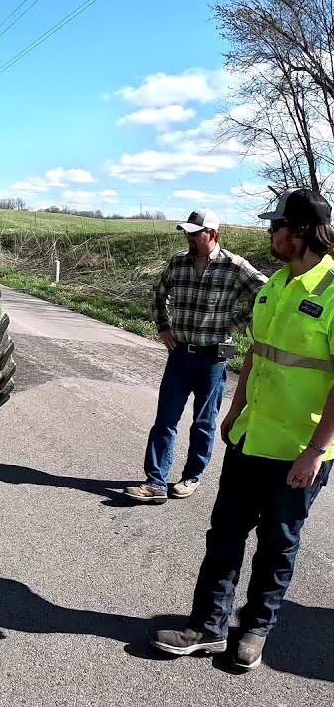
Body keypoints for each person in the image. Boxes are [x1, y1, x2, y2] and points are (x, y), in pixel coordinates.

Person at [152, 188, 334, 670]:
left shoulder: (333, 291)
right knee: (225, 533)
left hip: (299, 448)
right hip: (251, 436)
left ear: (298, 233)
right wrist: (233, 415)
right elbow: (257, 353)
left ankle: (254, 629)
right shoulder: (276, 284)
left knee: (278, 542)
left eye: (275, 226)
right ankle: (207, 627)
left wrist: (317, 449)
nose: (269, 233)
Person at [125, 209, 266, 503]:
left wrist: (238, 321)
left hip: (213, 360)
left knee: (204, 422)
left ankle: (192, 477)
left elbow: (266, 293)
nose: (188, 237)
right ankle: (155, 482)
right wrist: (164, 325)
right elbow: (158, 292)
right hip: (179, 356)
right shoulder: (178, 262)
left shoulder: (234, 266)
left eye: (194, 233)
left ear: (211, 234)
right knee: (165, 419)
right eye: (186, 233)